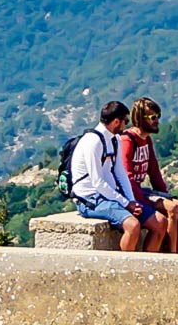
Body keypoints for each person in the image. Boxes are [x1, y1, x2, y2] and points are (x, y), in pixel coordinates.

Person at [71, 100, 168, 252]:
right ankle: (126, 270)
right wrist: (125, 203)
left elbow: (120, 173)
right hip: (91, 198)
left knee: (160, 222)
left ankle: (146, 268)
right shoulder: (92, 142)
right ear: (116, 121)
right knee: (133, 226)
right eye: (125, 121)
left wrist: (131, 201)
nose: (126, 125)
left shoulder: (115, 140)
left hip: (111, 195)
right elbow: (98, 182)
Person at [120, 97, 178, 253]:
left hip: (141, 191)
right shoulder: (128, 140)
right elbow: (127, 176)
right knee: (171, 209)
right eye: (153, 117)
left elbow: (154, 171)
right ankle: (171, 257)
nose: (157, 121)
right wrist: (143, 202)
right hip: (131, 193)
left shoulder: (147, 140)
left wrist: (165, 194)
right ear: (140, 119)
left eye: (158, 116)